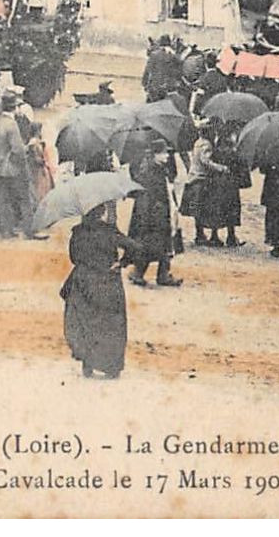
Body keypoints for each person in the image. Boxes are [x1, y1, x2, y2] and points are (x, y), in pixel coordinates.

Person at [61, 201, 147, 379]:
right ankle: (111, 366)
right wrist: (122, 262)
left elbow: (73, 257)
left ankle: (88, 362)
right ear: (102, 212)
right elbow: (136, 248)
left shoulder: (77, 232)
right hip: (108, 281)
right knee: (110, 324)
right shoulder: (109, 231)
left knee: (86, 321)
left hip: (83, 281)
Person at [127, 136, 182, 288]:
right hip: (153, 214)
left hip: (162, 211)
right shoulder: (150, 171)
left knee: (164, 243)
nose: (167, 156)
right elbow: (147, 195)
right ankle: (139, 273)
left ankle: (161, 274)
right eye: (164, 153)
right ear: (155, 154)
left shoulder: (158, 168)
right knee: (151, 244)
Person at [0, 95, 34, 238]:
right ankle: (29, 230)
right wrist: (26, 150)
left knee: (3, 200)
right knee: (24, 199)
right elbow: (18, 149)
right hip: (12, 167)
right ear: (15, 107)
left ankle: (6, 230)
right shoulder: (12, 124)